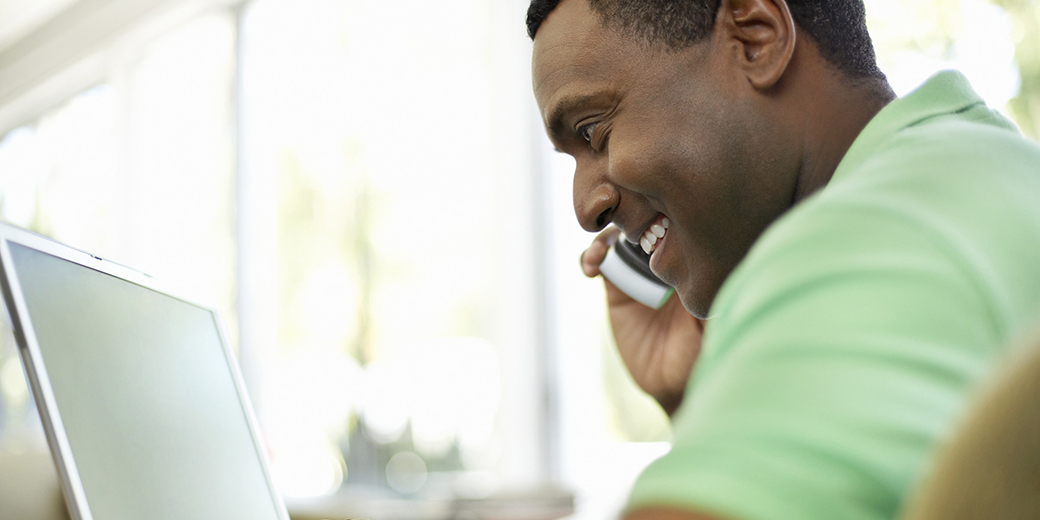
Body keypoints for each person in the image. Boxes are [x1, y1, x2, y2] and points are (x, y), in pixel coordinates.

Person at [526, 1, 1040, 519]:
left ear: (755, 37)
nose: (585, 208)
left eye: (594, 131)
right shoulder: (984, 168)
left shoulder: (882, 234)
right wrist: (707, 405)